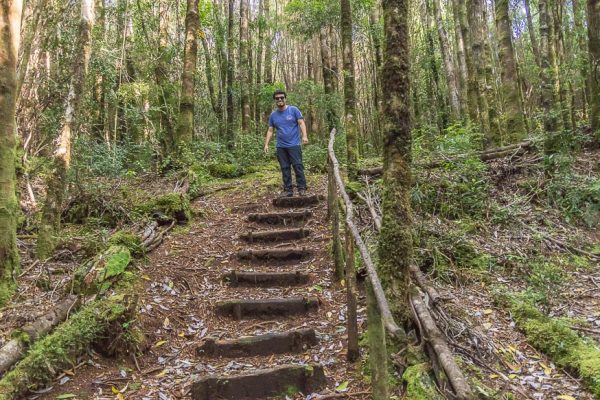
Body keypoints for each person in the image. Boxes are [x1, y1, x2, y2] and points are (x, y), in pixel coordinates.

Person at [264, 89, 309, 197]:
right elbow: (270, 130)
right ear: (275, 100)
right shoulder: (273, 115)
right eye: (277, 98)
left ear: (285, 98)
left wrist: (305, 136)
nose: (280, 99)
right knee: (284, 168)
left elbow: (301, 123)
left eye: (282, 98)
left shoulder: (293, 110)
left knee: (298, 166)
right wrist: (266, 144)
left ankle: (301, 188)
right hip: (281, 146)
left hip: (294, 145)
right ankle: (288, 190)